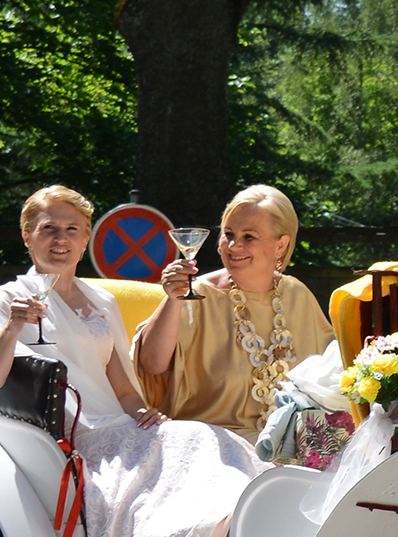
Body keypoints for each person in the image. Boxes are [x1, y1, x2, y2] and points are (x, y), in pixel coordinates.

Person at [0, 185, 262, 537]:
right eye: (48, 229)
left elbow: (124, 389)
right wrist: (13, 327)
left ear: (86, 238)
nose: (60, 239)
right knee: (156, 466)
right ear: (27, 236)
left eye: (72, 230)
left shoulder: (101, 302)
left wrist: (146, 415)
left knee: (203, 437)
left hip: (117, 422)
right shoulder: (9, 300)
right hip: (67, 434)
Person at [131, 183, 337, 441]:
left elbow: (333, 373)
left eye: (248, 236)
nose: (234, 245)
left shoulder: (297, 294)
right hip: (216, 447)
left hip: (292, 448)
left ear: (281, 245)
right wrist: (173, 300)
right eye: (228, 234)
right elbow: (151, 364)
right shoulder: (195, 295)